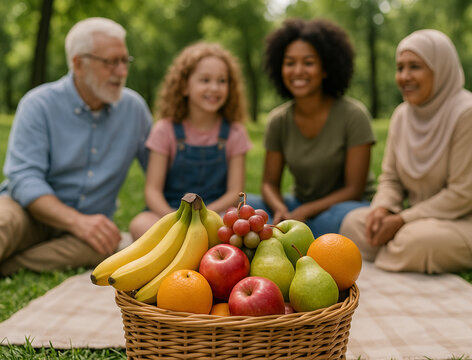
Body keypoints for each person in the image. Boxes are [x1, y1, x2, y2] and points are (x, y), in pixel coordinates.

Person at [340, 29, 472, 274]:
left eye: (415, 67)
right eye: (400, 67)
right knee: (354, 224)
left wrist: (402, 220)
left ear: (440, 68)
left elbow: (464, 194)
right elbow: (391, 179)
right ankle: (393, 247)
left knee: (414, 242)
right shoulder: (401, 115)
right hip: (421, 219)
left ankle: (394, 249)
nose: (404, 76)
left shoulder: (470, 113)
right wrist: (383, 209)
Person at [0, 17, 152, 276]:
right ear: (78, 64)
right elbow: (24, 178)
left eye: (124, 60)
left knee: (106, 244)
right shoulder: (38, 104)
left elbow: (161, 171)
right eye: (110, 62)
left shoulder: (134, 110)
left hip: (89, 230)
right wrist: (76, 221)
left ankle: (9, 266)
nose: (122, 71)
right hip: (27, 212)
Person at [248, 18, 375, 238]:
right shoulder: (278, 119)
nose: (298, 71)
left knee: (352, 222)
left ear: (325, 69)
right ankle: (298, 234)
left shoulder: (354, 115)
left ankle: (293, 234)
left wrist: (305, 212)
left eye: (308, 62)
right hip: (297, 204)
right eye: (289, 63)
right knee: (248, 207)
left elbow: (354, 190)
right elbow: (269, 184)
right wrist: (280, 209)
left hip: (345, 207)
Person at [128, 42, 252, 240]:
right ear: (184, 86)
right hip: (169, 213)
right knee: (140, 224)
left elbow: (234, 193)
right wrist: (176, 219)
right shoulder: (165, 129)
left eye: (222, 81)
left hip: (215, 213)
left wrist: (204, 217)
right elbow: (152, 190)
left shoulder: (235, 132)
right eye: (205, 80)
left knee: (242, 227)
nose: (214, 87)